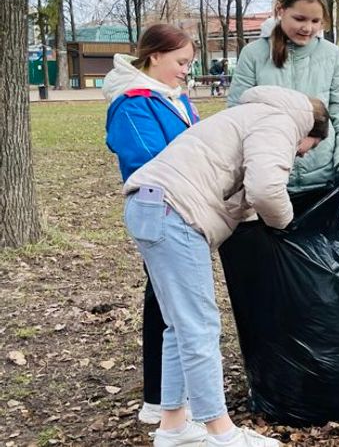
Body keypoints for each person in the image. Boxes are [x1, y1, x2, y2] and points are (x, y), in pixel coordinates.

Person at [122, 85, 329, 447]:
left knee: (178, 326)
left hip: (149, 206)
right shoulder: (283, 123)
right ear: (309, 132)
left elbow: (241, 188)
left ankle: (173, 427)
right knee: (200, 326)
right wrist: (286, 223)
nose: (298, 156)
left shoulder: (254, 115)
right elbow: (265, 188)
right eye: (304, 150)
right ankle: (220, 432)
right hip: (174, 212)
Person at [103, 23, 200, 425]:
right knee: (165, 303)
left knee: (167, 300)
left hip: (182, 209)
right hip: (159, 210)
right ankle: (159, 399)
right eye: (180, 62)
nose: (185, 71)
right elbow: (152, 160)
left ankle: (168, 397)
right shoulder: (133, 103)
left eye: (189, 64)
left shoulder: (173, 99)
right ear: (154, 56)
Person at [227, 0, 339, 231]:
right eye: (299, 18)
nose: (307, 27)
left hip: (321, 185)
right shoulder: (253, 55)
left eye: (315, 21)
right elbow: (237, 116)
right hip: (269, 185)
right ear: (280, 10)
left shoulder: (333, 57)